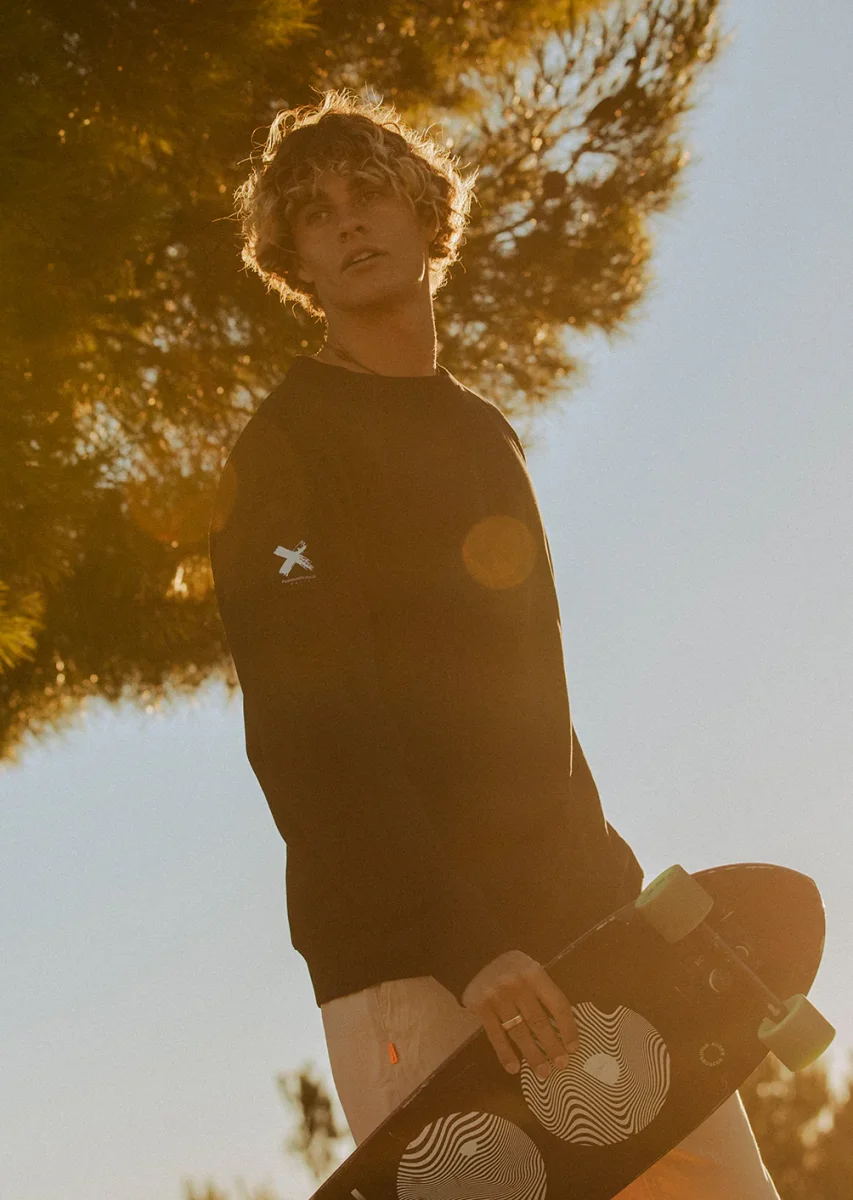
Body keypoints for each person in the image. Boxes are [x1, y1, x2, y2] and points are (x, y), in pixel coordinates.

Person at [209, 89, 779, 1198]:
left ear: (427, 213)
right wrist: (462, 945)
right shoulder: (284, 451)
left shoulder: (479, 430)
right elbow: (309, 736)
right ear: (293, 261)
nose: (347, 220)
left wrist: (621, 908)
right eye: (315, 212)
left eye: (369, 193)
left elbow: (532, 710)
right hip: (415, 962)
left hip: (582, 940)